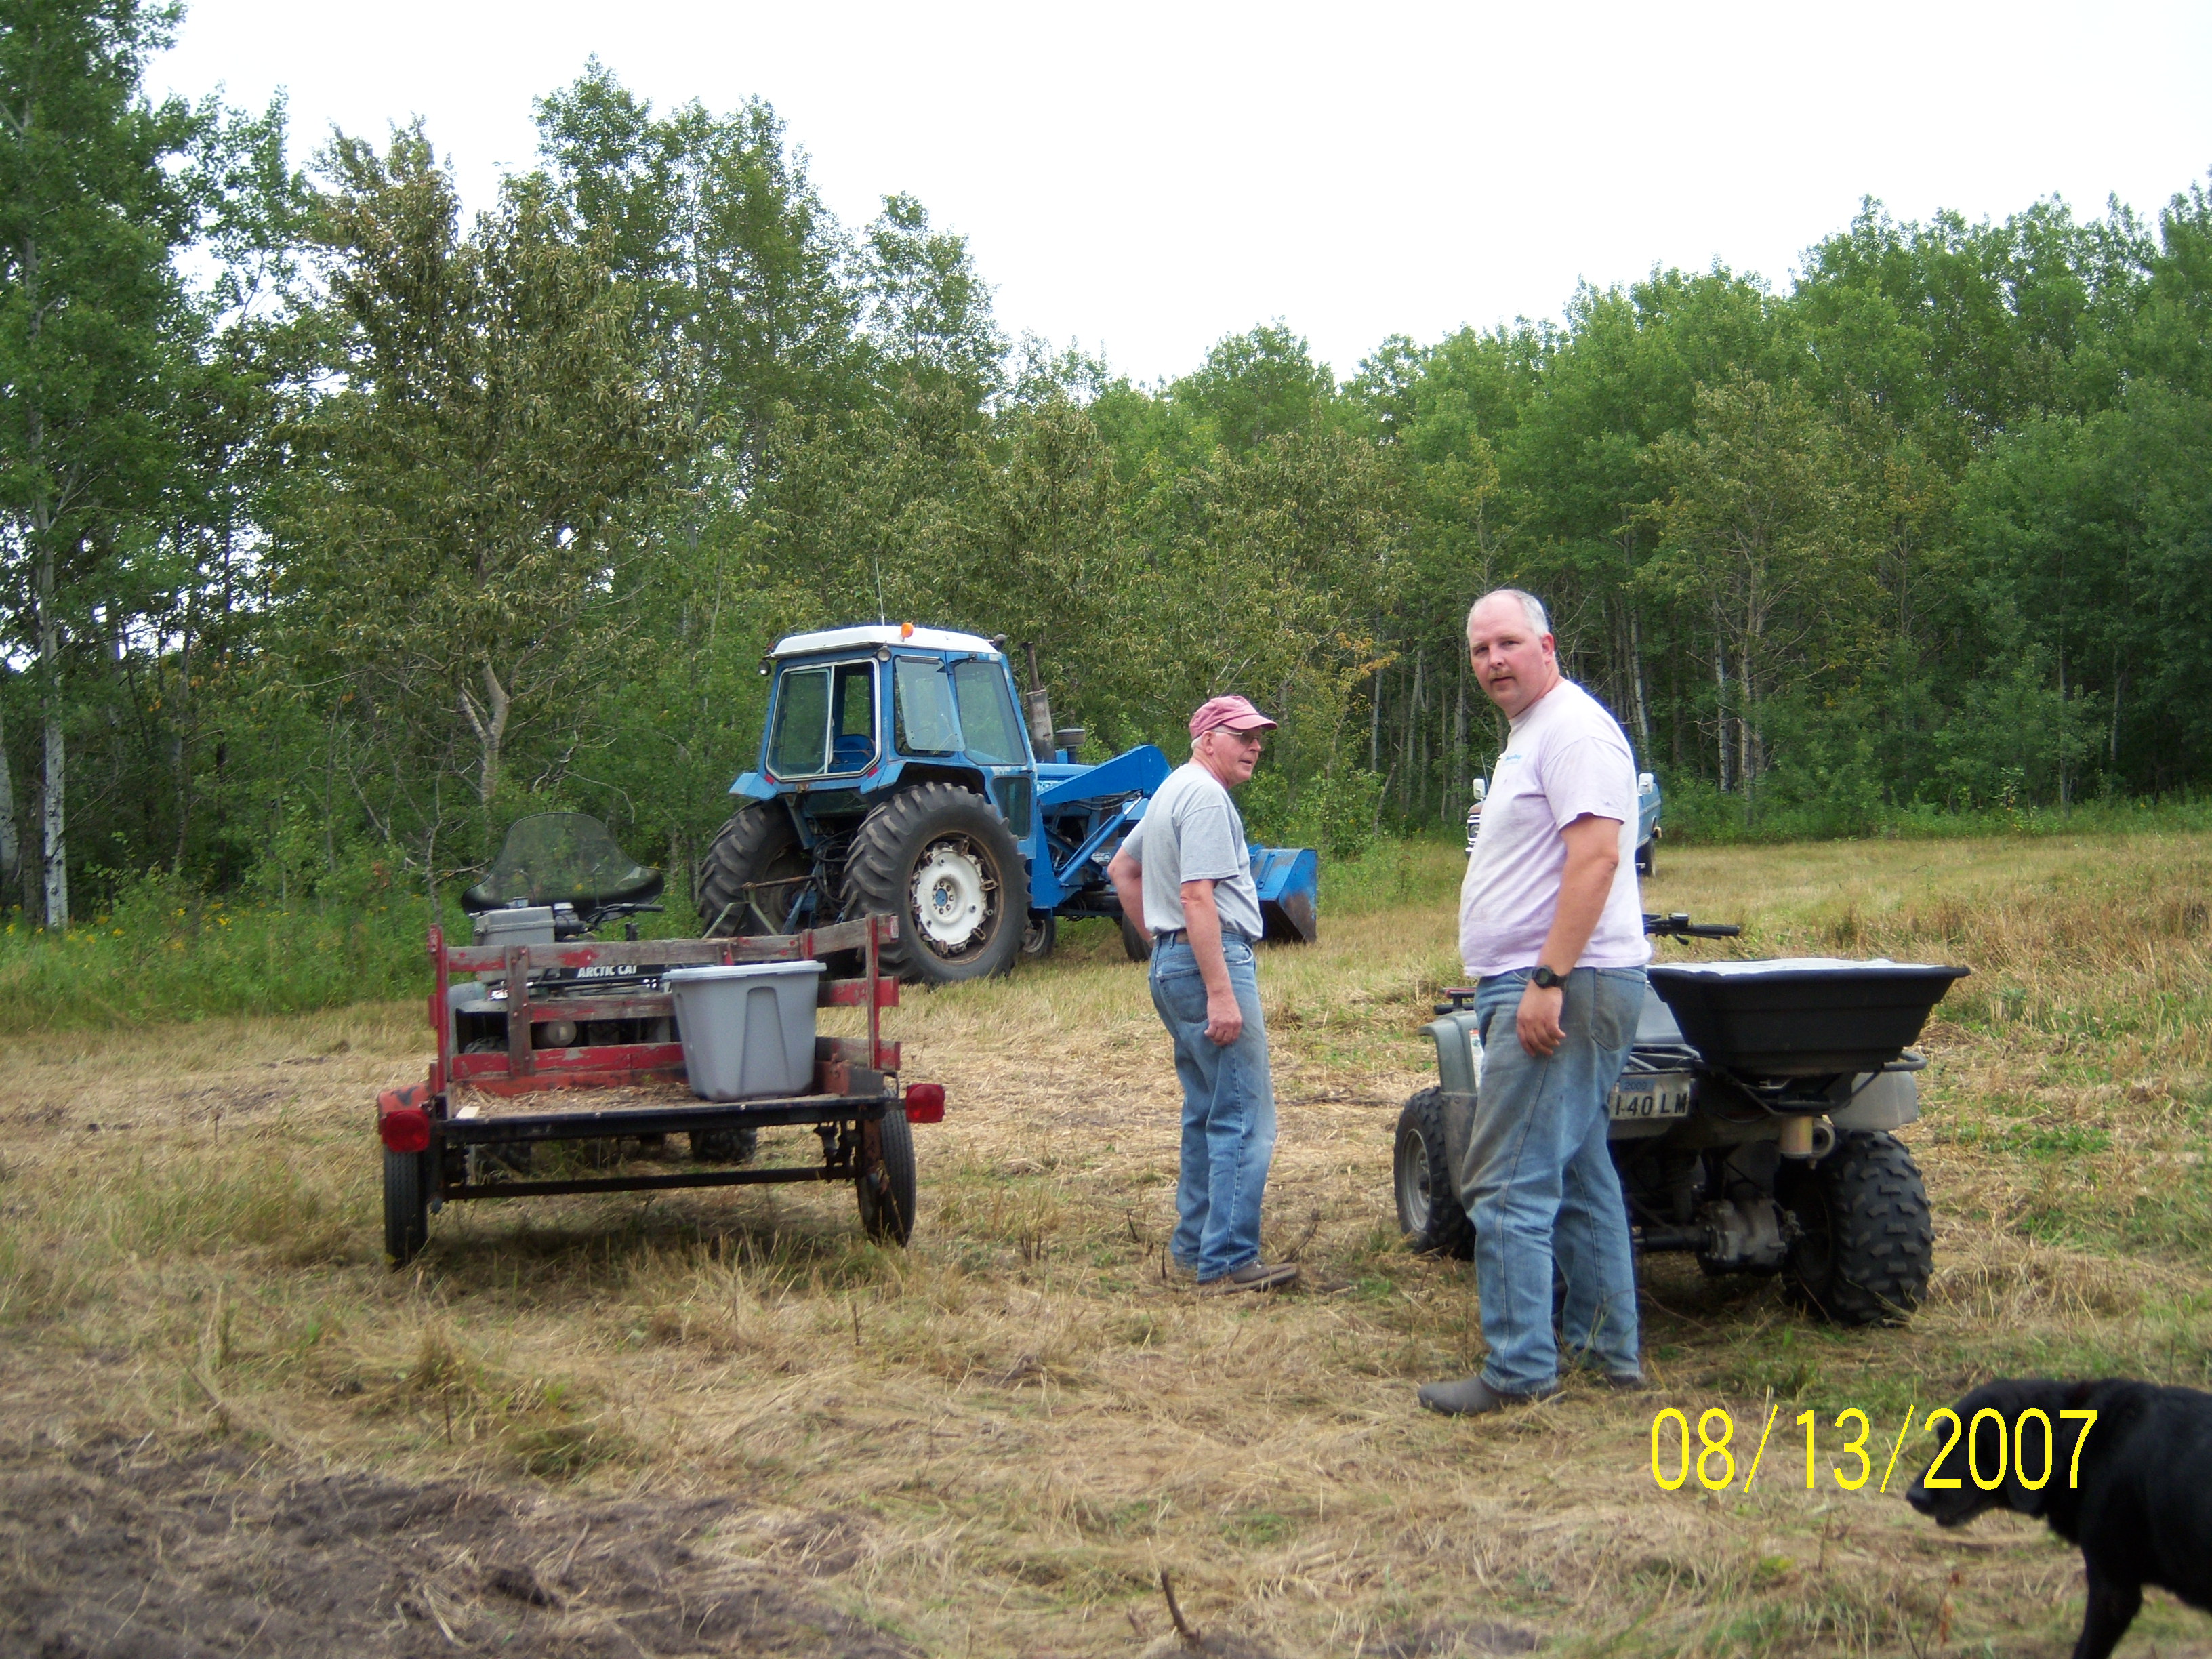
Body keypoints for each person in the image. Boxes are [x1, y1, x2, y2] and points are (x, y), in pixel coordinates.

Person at [1419, 588, 1650, 1414]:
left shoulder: (1575, 730)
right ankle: (1606, 1354)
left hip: (1562, 984)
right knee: (1581, 1174)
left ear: (1547, 645)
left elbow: (1595, 860)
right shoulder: (1533, 735)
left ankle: (1519, 1371)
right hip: (1544, 981)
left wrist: (1547, 980)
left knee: (1506, 1184)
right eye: (1479, 650)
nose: (1493, 662)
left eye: (1508, 644)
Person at [1107, 695, 1298, 1294]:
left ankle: (1193, 1247)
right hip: (1211, 963)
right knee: (1244, 1117)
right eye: (1243, 735)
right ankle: (1228, 1260)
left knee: (1206, 1112)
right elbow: (1197, 897)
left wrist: (1162, 947)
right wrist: (1218, 989)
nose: (1255, 745)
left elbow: (1121, 870)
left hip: (1173, 964)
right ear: (1208, 738)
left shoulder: (1170, 791)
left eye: (1259, 735)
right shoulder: (1208, 798)